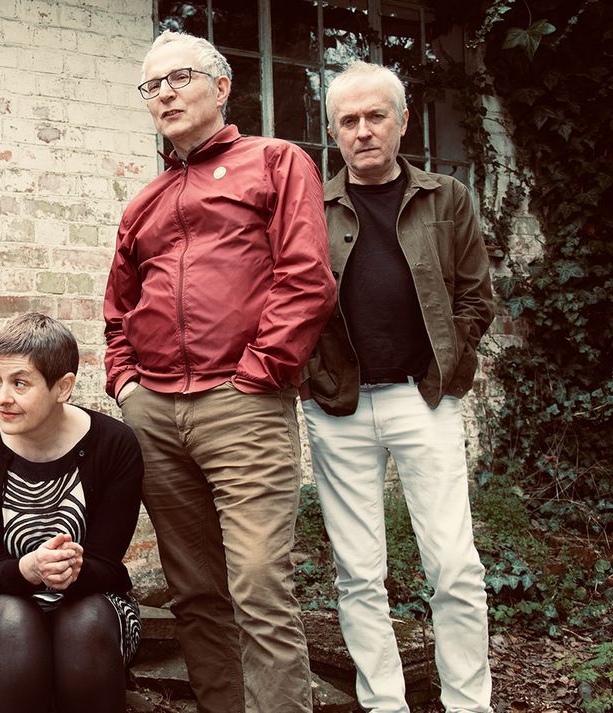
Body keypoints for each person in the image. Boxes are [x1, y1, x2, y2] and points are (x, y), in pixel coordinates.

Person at [104, 30, 337, 713]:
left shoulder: (276, 162)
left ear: (222, 86)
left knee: (259, 582)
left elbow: (306, 277)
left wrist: (261, 371)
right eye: (152, 86)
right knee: (196, 590)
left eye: (180, 78)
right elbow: (119, 307)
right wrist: (126, 383)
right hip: (155, 413)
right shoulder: (145, 201)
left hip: (244, 404)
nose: (165, 94)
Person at [302, 61, 495, 713]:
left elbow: (476, 295)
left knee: (455, 566)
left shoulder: (448, 198)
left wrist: (452, 362)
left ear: (403, 121)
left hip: (424, 398)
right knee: (358, 572)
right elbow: (288, 299)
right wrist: (309, 376)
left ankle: (469, 703)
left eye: (375, 116)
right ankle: (384, 703)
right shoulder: (311, 207)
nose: (362, 131)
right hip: (339, 407)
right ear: (333, 131)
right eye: (348, 120)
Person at [0, 313, 143, 713]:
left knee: (85, 622)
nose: (1, 397)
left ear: (62, 387)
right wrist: (28, 570)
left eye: (20, 383)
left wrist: (74, 569)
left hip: (94, 608)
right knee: (13, 622)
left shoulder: (115, 445)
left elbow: (107, 565)